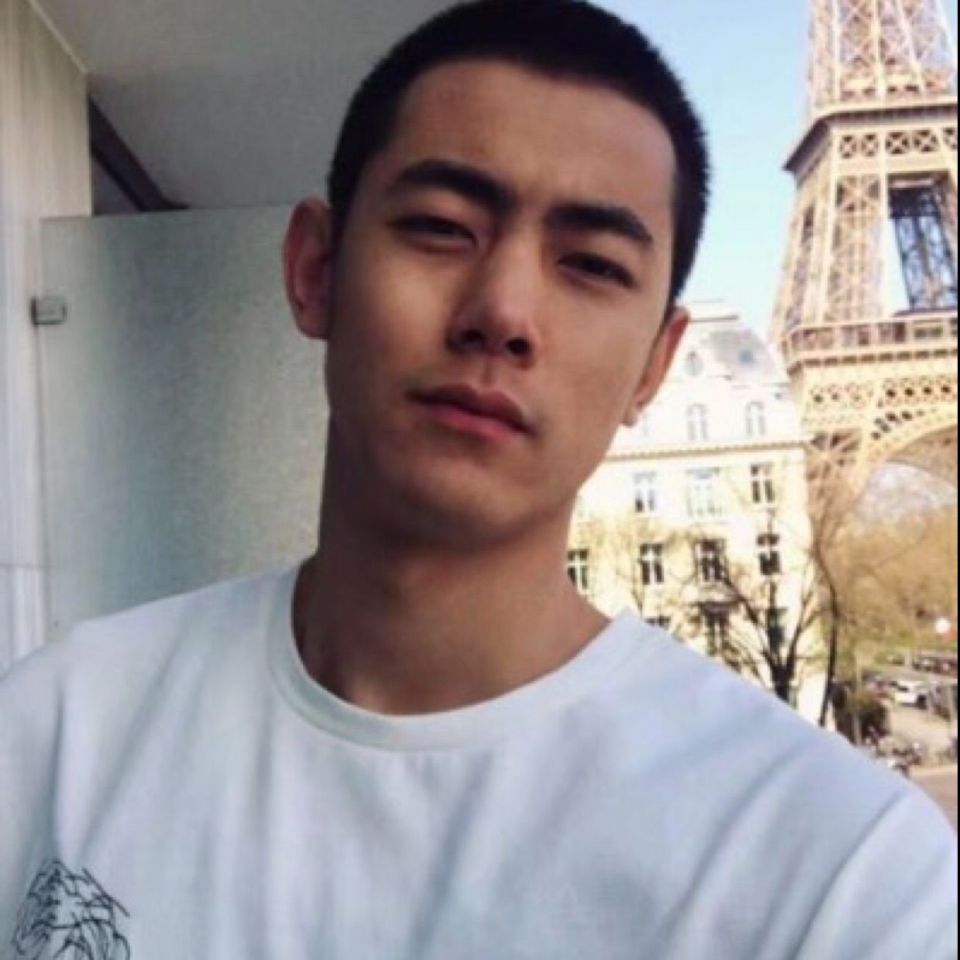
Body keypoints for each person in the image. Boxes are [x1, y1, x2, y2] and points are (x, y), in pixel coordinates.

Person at [1, 1, 956, 957]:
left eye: (591, 265)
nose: (502, 311)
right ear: (314, 271)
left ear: (655, 367)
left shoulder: (847, 877)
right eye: (440, 227)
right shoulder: (48, 734)